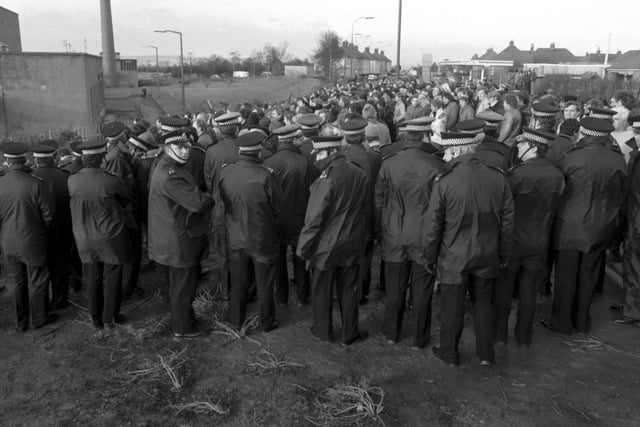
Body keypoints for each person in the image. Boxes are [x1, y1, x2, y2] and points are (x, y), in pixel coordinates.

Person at [423, 132, 514, 366]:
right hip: (487, 252)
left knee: (452, 308)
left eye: (447, 152)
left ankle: (449, 354)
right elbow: (508, 221)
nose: (445, 156)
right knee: (483, 303)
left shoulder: (445, 181)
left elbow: (433, 225)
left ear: (456, 151)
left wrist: (429, 257)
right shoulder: (498, 178)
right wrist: (503, 252)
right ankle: (485, 353)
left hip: (453, 256)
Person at [543, 117, 626, 335]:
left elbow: (558, 188)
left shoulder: (572, 158)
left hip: (569, 225)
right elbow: (621, 194)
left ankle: (562, 322)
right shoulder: (617, 160)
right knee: (588, 275)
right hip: (600, 226)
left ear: (585, 133)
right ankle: (581, 321)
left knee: (566, 275)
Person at [492, 128, 565, 347]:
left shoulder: (517, 174)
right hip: (540, 239)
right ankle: (524, 336)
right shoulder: (557, 174)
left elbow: (503, 206)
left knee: (504, 288)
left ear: (533, 147)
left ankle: (499, 334)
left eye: (523, 144)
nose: (519, 147)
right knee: (529, 291)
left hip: (513, 240)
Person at [375, 117, 444, 348]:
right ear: (424, 136)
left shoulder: (389, 163)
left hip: (395, 231)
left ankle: (392, 333)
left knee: (395, 287)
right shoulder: (436, 165)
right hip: (424, 234)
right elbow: (439, 206)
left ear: (405, 137)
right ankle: (420, 337)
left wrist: (382, 227)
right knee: (422, 289)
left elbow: (379, 199)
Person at [297, 135, 369, 345]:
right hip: (352, 240)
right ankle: (350, 332)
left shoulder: (326, 179)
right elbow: (364, 208)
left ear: (328, 152)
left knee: (321, 290)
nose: (316, 158)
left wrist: (303, 248)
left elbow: (314, 219)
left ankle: (322, 330)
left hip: (326, 246)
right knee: (348, 289)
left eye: (318, 154)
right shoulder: (359, 172)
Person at [148, 130, 214, 339]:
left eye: (187, 147)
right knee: (183, 287)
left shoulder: (167, 168)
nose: (185, 151)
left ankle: (184, 321)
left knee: (179, 286)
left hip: (170, 236)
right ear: (168, 149)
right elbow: (196, 203)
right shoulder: (170, 175)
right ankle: (183, 328)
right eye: (180, 147)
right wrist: (210, 196)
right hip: (178, 240)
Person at [219, 131, 283, 332]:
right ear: (258, 151)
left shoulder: (226, 172)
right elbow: (278, 207)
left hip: (236, 236)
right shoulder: (266, 175)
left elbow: (221, 201)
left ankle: (236, 320)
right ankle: (266, 322)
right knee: (265, 284)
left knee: (239, 281)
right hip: (261, 238)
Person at [68, 138, 131, 330]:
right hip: (110, 235)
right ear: (102, 158)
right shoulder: (111, 180)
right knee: (112, 277)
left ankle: (96, 320)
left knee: (92, 278)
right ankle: (110, 317)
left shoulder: (72, 180)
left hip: (84, 237)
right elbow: (125, 200)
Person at [0, 143, 56, 330]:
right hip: (33, 240)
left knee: (16, 282)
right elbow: (48, 216)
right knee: (38, 279)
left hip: (8, 241)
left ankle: (21, 322)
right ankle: (39, 318)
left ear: (7, 161)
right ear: (25, 159)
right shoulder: (36, 183)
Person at [264, 124, 318, 306]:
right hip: (299, 217)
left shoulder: (268, 163)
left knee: (278, 259)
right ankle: (303, 295)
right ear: (294, 140)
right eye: (299, 139)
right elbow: (315, 191)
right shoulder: (305, 163)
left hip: (276, 219)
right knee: (300, 258)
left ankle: (282, 296)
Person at [340, 117, 382, 304]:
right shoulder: (374, 158)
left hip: (343, 215)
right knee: (365, 255)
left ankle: (344, 289)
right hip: (367, 213)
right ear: (363, 135)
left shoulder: (340, 156)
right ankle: (361, 292)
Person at [101, 121, 143, 300]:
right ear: (121, 136)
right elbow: (119, 186)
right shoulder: (116, 157)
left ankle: (128, 286)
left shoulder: (119, 154)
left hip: (128, 208)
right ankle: (127, 289)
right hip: (126, 211)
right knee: (131, 249)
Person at [203, 112, 242, 299]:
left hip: (219, 207)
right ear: (237, 128)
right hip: (243, 208)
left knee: (222, 252)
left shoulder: (212, 151)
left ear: (219, 129)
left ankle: (227, 292)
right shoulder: (246, 146)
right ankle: (246, 289)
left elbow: (208, 181)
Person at [31, 143, 73, 310]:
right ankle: (60, 299)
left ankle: (41, 303)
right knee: (60, 266)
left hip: (38, 231)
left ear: (35, 160)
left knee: (39, 269)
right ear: (54, 158)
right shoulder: (65, 176)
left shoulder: (31, 178)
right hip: (62, 229)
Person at [615, 112, 640, 326]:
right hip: (631, 215)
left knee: (635, 265)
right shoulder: (635, 151)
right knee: (630, 263)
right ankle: (630, 304)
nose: (636, 135)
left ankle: (633, 311)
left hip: (637, 220)